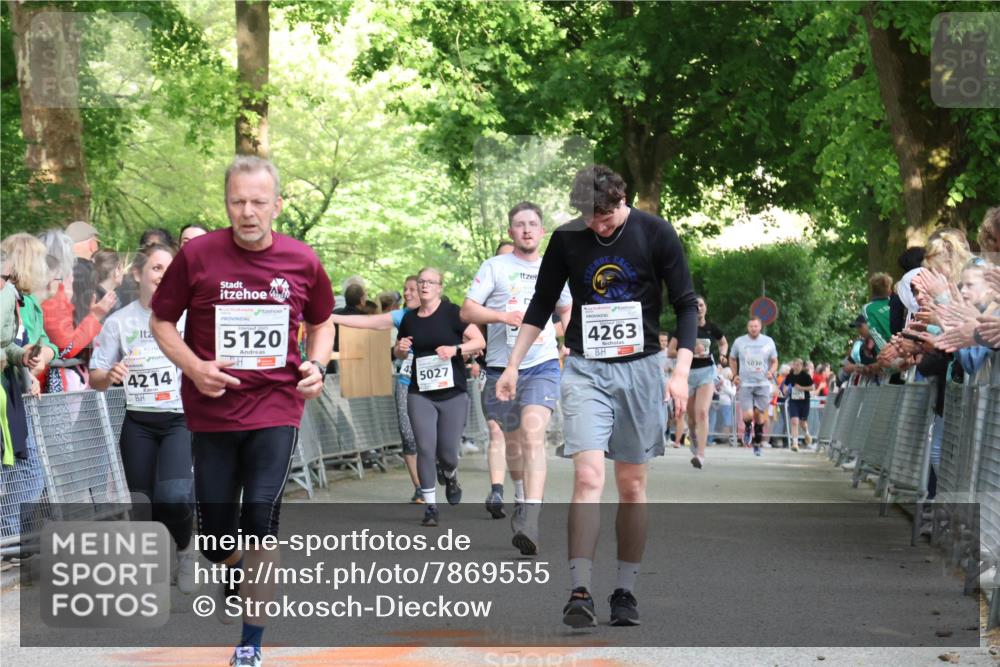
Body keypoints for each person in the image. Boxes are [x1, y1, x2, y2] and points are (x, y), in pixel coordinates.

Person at [150, 155, 334, 667]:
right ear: (226, 203)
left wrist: (316, 365)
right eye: (237, 202)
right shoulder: (198, 256)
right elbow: (161, 321)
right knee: (213, 539)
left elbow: (323, 322)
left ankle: (250, 642)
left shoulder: (303, 260)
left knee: (261, 520)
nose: (247, 212)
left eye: (257, 202)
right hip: (212, 411)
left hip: (277, 406)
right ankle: (235, 567)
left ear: (276, 204)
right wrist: (195, 367)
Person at [496, 165, 698, 628]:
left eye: (605, 221)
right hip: (586, 367)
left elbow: (686, 303)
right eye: (589, 220)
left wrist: (680, 371)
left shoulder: (656, 233)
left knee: (631, 485)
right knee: (588, 476)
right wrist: (512, 364)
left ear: (622, 200)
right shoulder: (567, 239)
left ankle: (625, 589)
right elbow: (542, 304)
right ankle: (579, 588)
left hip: (642, 368)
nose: (597, 228)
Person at [461, 201, 571, 554]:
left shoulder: (553, 268)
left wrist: (562, 338)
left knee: (534, 435)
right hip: (499, 367)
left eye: (533, 224)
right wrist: (501, 316)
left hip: (541, 365)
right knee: (513, 444)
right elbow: (467, 310)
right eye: (520, 224)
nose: (526, 229)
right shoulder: (494, 266)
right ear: (511, 232)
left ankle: (531, 518)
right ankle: (521, 497)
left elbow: (566, 306)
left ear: (542, 232)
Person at [90, 244, 197, 593]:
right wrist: (111, 375)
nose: (163, 275)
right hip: (138, 421)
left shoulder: (188, 319)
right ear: (138, 275)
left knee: (175, 495)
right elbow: (96, 375)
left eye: (169, 268)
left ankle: (184, 549)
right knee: (142, 502)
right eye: (156, 268)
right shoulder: (120, 322)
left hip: (178, 420)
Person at [395, 268, 484, 527]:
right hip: (420, 392)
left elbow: (479, 342)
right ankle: (431, 506)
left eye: (430, 282)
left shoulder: (453, 313)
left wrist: (455, 349)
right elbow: (400, 350)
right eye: (421, 281)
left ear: (439, 287)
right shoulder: (409, 319)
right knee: (424, 447)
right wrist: (399, 349)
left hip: (452, 393)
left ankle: (451, 474)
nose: (424, 286)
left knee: (447, 452)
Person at [330, 276, 424, 502]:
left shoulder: (447, 314)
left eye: (413, 289)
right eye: (406, 289)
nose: (408, 294)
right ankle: (420, 488)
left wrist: (462, 350)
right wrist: (325, 315)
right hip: (403, 381)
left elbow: (471, 337)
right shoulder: (399, 316)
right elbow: (371, 326)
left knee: (435, 441)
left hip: (436, 387)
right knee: (409, 437)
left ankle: (446, 468)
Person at [0, 235, 52, 555]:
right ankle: (8, 539)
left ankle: (8, 538)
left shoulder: (24, 300)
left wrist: (30, 363)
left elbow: (34, 343)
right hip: (8, 396)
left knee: (29, 471)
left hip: (15, 396)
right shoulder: (9, 296)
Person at [37, 230, 117, 391]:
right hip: (44, 383)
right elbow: (66, 347)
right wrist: (95, 316)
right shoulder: (52, 292)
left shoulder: (43, 287)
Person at [667, 294, 726, 468]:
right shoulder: (684, 328)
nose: (698, 308)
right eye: (695, 306)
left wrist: (722, 354)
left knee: (702, 413)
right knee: (691, 418)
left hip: (706, 372)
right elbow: (670, 351)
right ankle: (691, 433)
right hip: (688, 374)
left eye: (701, 305)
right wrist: (690, 351)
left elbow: (723, 343)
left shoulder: (711, 327)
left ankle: (701, 454)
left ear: (705, 308)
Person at [729, 316, 779, 457]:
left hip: (762, 384)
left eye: (756, 326)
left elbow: (775, 361)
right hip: (746, 383)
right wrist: (734, 375)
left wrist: (771, 372)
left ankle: (757, 443)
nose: (753, 329)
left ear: (760, 327)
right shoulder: (739, 342)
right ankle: (747, 427)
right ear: (747, 327)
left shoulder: (768, 342)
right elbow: (732, 358)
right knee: (748, 415)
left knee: (759, 416)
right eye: (751, 326)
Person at [781, 358, 814, 452]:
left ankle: (807, 434)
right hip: (794, 400)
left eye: (798, 365)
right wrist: (785, 390)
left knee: (802, 422)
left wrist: (801, 388)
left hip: (804, 401)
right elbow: (785, 386)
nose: (796, 366)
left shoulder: (806, 376)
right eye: (794, 364)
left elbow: (812, 387)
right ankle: (794, 443)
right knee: (794, 421)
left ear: (802, 366)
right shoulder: (790, 375)